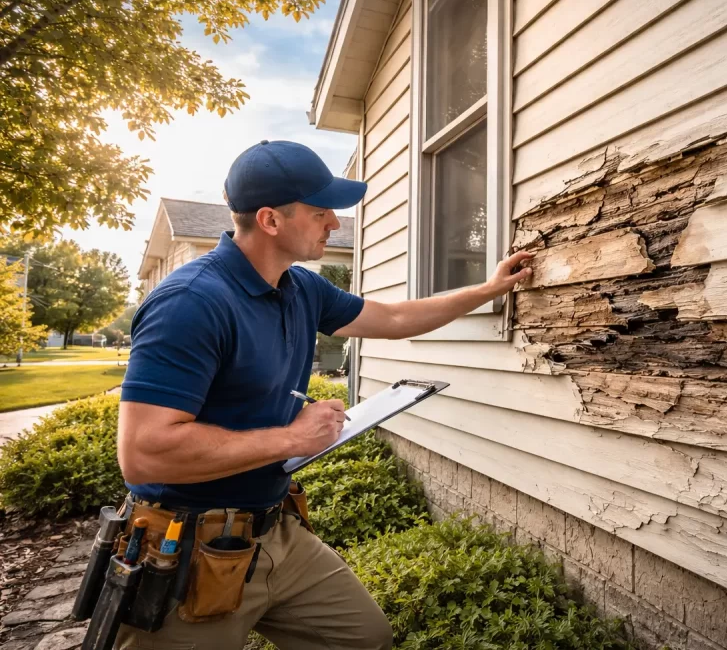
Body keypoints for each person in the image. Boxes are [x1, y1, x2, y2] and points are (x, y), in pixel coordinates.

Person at [114, 139, 533, 649]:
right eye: (320, 212)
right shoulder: (191, 302)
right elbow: (143, 454)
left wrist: (488, 291)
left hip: (274, 531)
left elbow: (394, 318)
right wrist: (291, 438)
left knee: (363, 637)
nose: (334, 223)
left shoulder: (300, 288)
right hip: (185, 550)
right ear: (270, 220)